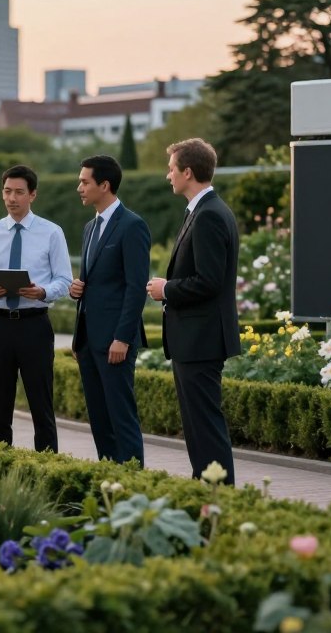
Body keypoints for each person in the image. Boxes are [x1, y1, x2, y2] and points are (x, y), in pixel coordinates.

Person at [146, 138, 239, 486]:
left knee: (205, 425)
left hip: (201, 339)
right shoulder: (203, 211)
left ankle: (219, 494)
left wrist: (166, 289)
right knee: (198, 426)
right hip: (195, 339)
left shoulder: (209, 215)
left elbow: (209, 282)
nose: (167, 175)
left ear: (187, 172)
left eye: (171, 168)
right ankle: (206, 489)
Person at [0, 164, 72, 452]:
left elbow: (64, 279)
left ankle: (48, 465)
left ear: (32, 195)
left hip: (34, 325)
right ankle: (0, 464)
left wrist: (43, 292)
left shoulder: (51, 233)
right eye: (7, 191)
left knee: (41, 405)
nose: (11, 198)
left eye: (18, 192)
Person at [69, 155, 150, 466]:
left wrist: (123, 338)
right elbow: (96, 281)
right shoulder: (90, 227)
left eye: (84, 182)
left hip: (116, 342)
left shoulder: (132, 225)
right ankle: (109, 480)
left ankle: (133, 482)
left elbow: (135, 288)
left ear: (104, 185)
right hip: (88, 342)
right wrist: (78, 289)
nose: (79, 187)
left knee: (121, 418)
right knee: (100, 420)